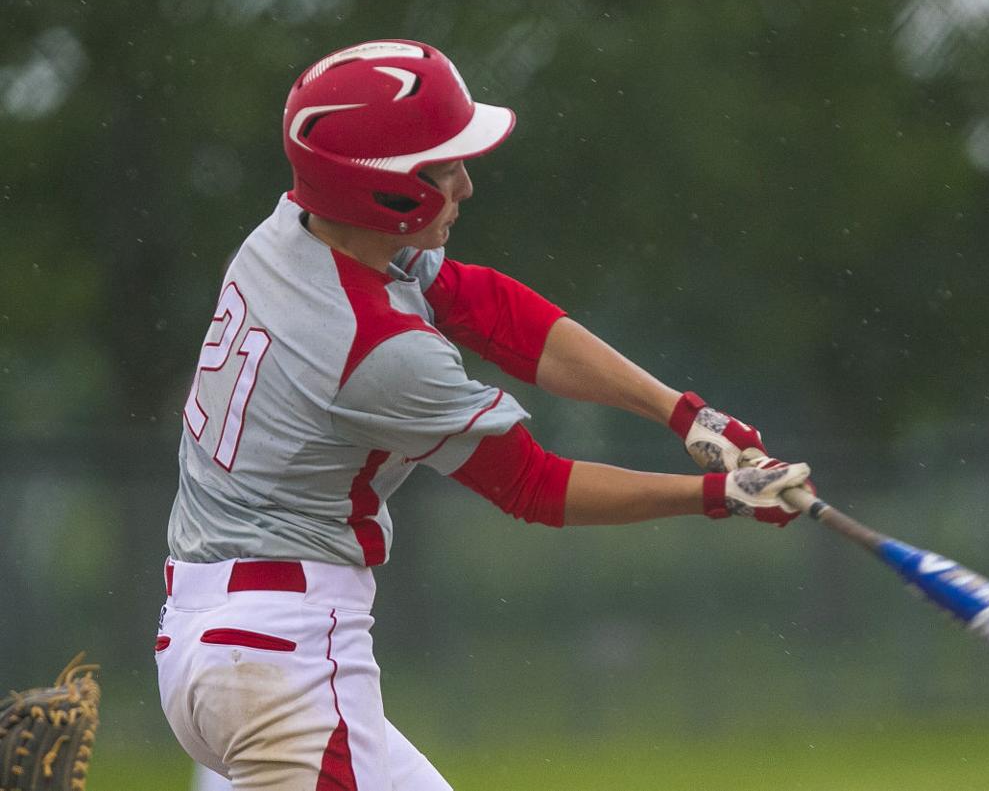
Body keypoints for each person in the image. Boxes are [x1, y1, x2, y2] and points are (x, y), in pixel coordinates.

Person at [157, 39, 814, 790]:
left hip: (212, 636)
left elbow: (493, 311)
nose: (464, 184)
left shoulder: (288, 234)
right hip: (284, 661)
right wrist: (717, 496)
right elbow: (536, 486)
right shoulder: (378, 351)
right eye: (442, 166)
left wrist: (687, 417)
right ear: (382, 190)